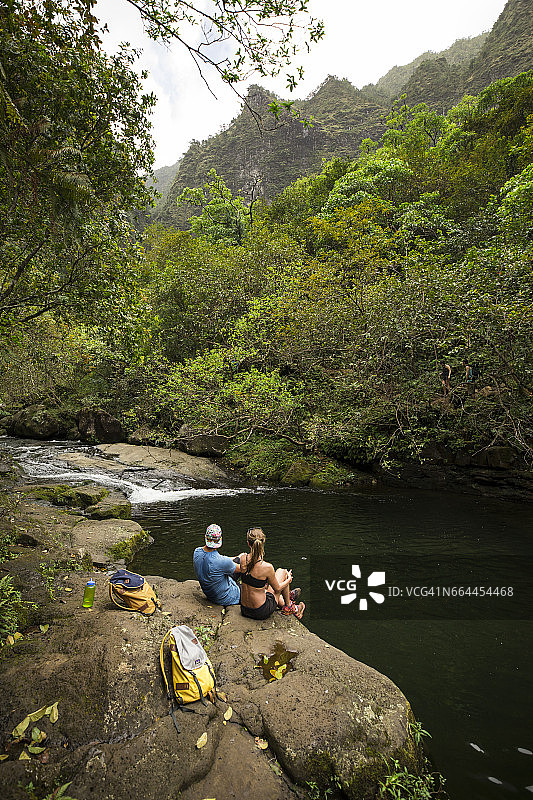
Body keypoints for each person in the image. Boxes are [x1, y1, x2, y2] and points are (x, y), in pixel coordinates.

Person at [238, 527, 305, 620]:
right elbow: (277, 588)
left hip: (245, 609)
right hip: (260, 611)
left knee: (268, 584)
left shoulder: (242, 559)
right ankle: (288, 607)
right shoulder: (267, 567)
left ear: (248, 543)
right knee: (282, 572)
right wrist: (288, 579)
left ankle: (287, 599)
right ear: (263, 543)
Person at [193, 524, 241, 606]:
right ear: (220, 539)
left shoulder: (196, 552)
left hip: (210, 594)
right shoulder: (221, 561)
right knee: (242, 565)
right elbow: (243, 569)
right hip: (226, 598)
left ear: (205, 537)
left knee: (237, 560)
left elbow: (222, 560)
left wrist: (237, 557)